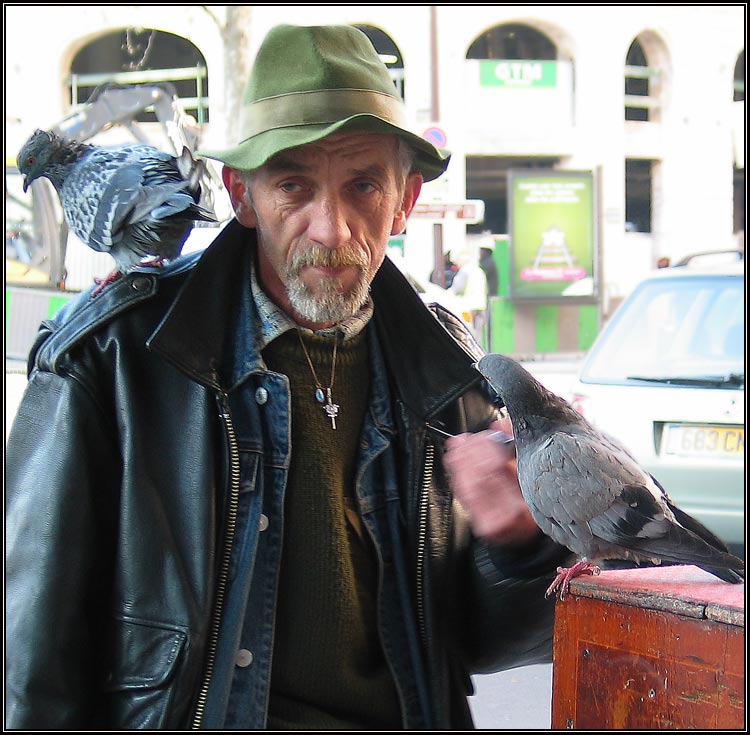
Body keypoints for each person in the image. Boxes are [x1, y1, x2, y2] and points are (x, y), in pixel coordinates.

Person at [5, 24, 570, 730]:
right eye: (293, 184)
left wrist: (519, 541)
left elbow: (484, 641)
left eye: (362, 184)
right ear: (241, 193)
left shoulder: (449, 374)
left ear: (405, 200)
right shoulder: (110, 359)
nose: (330, 229)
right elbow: (28, 669)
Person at [450, 245, 489, 344]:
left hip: (468, 307)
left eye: (457, 260)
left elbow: (457, 289)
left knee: (468, 334)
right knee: (478, 335)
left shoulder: (465, 271)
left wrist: (443, 295)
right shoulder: (479, 270)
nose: (456, 263)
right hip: (481, 306)